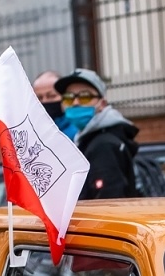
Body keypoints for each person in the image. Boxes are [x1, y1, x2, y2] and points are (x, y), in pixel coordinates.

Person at [54, 69, 140, 199]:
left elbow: (108, 203)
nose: (76, 103)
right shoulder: (87, 140)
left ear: (102, 104)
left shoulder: (103, 145)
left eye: (85, 97)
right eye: (68, 98)